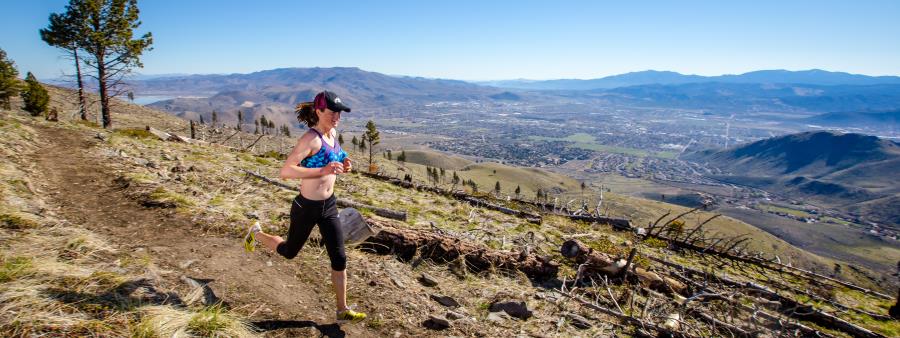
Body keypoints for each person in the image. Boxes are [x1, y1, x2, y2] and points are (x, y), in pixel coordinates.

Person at [243, 90, 366, 323]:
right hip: (306, 207)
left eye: (339, 113)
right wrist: (323, 170)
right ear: (319, 111)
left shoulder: (332, 133)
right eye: (331, 112)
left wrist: (345, 161)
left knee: (339, 258)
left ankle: (342, 310)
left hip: (329, 206)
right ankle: (256, 233)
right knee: (289, 252)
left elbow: (337, 153)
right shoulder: (310, 139)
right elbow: (286, 171)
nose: (336, 117)